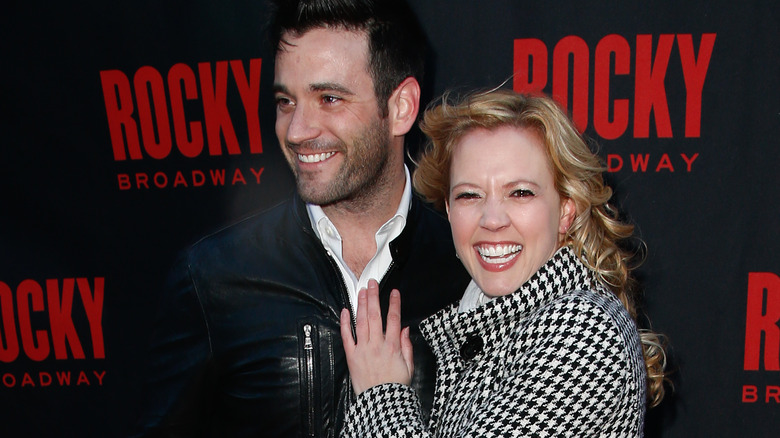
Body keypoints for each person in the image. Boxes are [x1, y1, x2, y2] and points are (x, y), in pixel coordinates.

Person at [129, 1, 469, 437]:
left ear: (401, 107)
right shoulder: (214, 278)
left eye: (329, 98)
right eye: (286, 101)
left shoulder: (469, 271)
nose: (296, 130)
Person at [339, 89, 668, 436]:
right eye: (469, 195)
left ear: (565, 212)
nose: (492, 219)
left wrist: (382, 394)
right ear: (449, 211)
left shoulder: (584, 327)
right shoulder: (479, 325)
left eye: (520, 192)